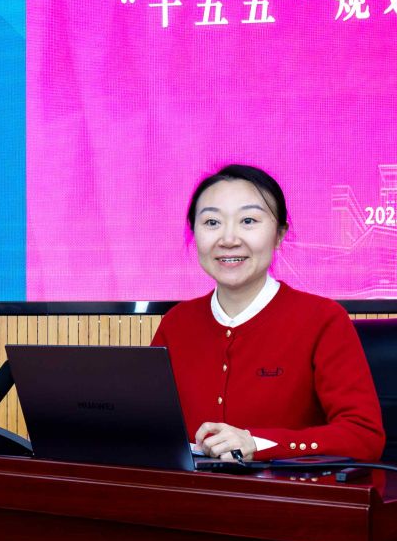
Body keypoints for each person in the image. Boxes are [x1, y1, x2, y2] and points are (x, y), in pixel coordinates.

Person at [151, 164, 384, 462]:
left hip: (287, 491)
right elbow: (148, 426)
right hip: (185, 491)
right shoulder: (176, 324)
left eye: (248, 221)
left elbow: (364, 436)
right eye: (212, 222)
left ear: (279, 234)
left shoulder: (323, 320)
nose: (228, 239)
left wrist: (259, 444)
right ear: (194, 233)